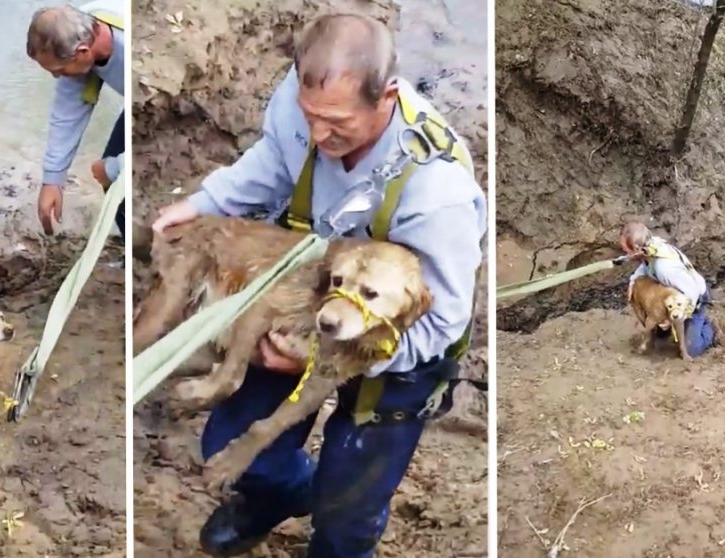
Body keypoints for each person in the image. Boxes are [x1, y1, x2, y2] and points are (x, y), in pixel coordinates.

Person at [152, 13, 487, 558]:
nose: (317, 135)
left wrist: (328, 357)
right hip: (313, 292)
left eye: (336, 124)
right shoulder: (303, 99)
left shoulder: (437, 195)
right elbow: (274, 158)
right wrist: (202, 203)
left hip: (396, 341)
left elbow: (443, 324)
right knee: (229, 444)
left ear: (388, 97)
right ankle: (277, 495)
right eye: (309, 117)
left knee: (344, 514)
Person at [26, 1, 125, 238]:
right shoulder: (81, 27)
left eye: (59, 70)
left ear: (83, 53)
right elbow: (67, 114)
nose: (56, 76)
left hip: (156, 100)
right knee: (112, 183)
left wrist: (116, 167)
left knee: (116, 175)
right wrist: (52, 179)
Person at [620, 221, 717, 357]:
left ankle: (708, 328)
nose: (626, 255)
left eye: (626, 252)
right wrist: (632, 281)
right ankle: (677, 325)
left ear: (636, 249)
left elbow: (692, 292)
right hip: (672, 296)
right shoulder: (650, 247)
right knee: (661, 336)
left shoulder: (665, 268)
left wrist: (675, 317)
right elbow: (645, 266)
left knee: (691, 349)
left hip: (694, 299)